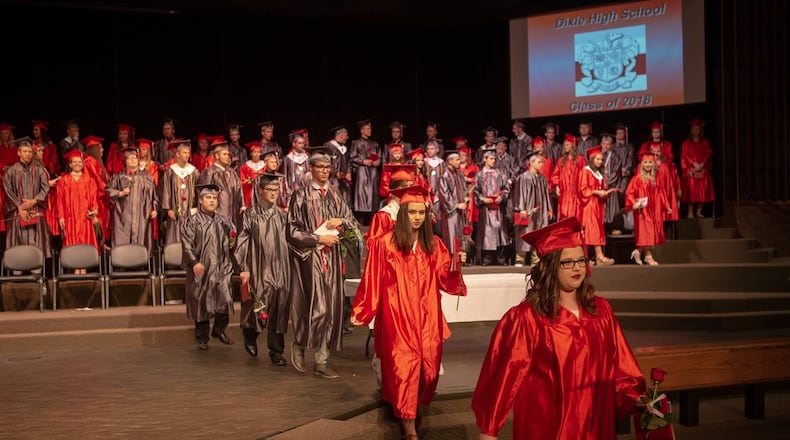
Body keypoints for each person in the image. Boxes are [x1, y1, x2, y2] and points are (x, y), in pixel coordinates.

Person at [471, 217, 646, 440]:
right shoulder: (526, 318)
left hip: (596, 425)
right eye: (567, 262)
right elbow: (504, 377)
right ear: (551, 266)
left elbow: (621, 366)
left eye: (581, 261)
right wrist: (490, 429)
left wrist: (635, 396)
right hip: (550, 427)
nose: (577, 268)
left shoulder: (601, 311)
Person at [352, 185, 467, 440]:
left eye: (421, 212)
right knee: (404, 369)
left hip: (428, 317)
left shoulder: (434, 244)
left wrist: (457, 266)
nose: (417, 217)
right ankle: (409, 427)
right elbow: (372, 278)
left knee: (430, 370)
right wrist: (363, 310)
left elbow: (443, 278)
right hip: (397, 316)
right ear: (403, 213)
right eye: (412, 212)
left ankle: (412, 407)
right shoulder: (386, 244)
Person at [286, 146, 357, 379]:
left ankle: (321, 361)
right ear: (311, 168)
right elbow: (292, 231)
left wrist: (343, 221)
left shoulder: (336, 195)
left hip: (333, 260)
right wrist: (317, 238)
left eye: (328, 167)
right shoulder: (300, 195)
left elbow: (353, 224)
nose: (325, 171)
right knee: (315, 308)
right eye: (320, 167)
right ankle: (299, 343)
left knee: (330, 310)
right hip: (310, 259)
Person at [234, 173, 291, 364]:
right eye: (270, 189)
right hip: (258, 267)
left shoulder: (284, 215)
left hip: (281, 268)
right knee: (256, 305)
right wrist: (243, 267)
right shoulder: (250, 214)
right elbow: (241, 242)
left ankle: (276, 352)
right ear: (260, 191)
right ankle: (250, 335)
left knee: (279, 308)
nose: (274, 193)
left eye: (276, 190)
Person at [181, 183, 236, 350]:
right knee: (201, 302)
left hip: (222, 267)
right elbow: (186, 244)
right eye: (208, 198)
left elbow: (232, 240)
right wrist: (194, 262)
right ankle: (202, 337)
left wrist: (233, 240)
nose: (212, 201)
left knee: (225, 298)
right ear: (200, 200)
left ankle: (219, 330)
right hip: (201, 267)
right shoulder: (192, 221)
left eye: (214, 198)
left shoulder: (224, 221)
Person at [2, 137, 51, 258]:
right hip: (18, 212)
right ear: (18, 153)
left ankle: (36, 270)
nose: (28, 154)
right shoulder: (11, 171)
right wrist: (20, 206)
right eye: (25, 151)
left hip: (36, 209)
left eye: (30, 151)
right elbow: (7, 190)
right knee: (17, 240)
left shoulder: (39, 170)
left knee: (37, 240)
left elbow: (45, 188)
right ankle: (17, 271)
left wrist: (35, 200)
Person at [106, 148, 159, 253]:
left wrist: (155, 209)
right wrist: (120, 193)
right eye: (129, 158)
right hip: (122, 216)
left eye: (135, 158)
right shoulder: (118, 177)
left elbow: (154, 196)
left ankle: (142, 264)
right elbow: (108, 190)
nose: (133, 160)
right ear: (125, 161)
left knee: (141, 241)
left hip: (142, 215)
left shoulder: (147, 177)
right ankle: (123, 265)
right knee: (122, 241)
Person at [57, 150, 100, 273]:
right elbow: (59, 200)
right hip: (70, 217)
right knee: (72, 242)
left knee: (85, 241)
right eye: (74, 162)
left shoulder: (89, 180)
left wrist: (94, 211)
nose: (77, 164)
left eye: (79, 162)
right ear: (70, 164)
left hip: (85, 217)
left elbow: (94, 198)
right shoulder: (63, 181)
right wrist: (61, 217)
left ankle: (84, 269)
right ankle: (76, 270)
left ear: (82, 164)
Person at [625, 154, 672, 265]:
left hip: (654, 209)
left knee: (650, 232)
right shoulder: (637, 178)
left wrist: (666, 206)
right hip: (642, 210)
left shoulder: (657, 178)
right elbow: (629, 193)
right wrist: (633, 204)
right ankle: (648, 256)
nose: (648, 164)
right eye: (645, 162)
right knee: (646, 231)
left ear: (653, 164)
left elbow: (662, 194)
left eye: (650, 162)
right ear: (642, 164)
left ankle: (639, 252)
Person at [512, 153, 552, 267]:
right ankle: (520, 257)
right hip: (527, 210)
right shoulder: (523, 177)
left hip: (540, 210)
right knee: (525, 232)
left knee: (538, 232)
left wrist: (549, 209)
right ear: (531, 163)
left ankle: (535, 258)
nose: (541, 165)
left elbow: (546, 195)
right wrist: (521, 209)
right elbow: (518, 195)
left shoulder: (542, 178)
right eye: (539, 162)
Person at [579, 146, 616, 265]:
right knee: (592, 230)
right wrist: (596, 192)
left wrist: (606, 193)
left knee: (595, 230)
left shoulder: (597, 174)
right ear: (592, 159)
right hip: (588, 205)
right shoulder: (585, 171)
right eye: (598, 159)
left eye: (601, 159)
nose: (600, 161)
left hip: (597, 205)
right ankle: (599, 256)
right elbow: (583, 189)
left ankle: (587, 258)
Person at [198, 139, 246, 230]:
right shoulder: (209, 172)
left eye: (228, 154)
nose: (228, 156)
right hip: (217, 211)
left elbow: (239, 189)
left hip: (233, 210)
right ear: (216, 155)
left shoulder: (232, 172)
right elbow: (205, 193)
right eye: (224, 154)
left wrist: (242, 205)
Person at [160, 139, 199, 246]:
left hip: (191, 211)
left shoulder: (193, 171)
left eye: (188, 152)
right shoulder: (170, 171)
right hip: (175, 210)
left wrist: (197, 208)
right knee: (175, 235)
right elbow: (166, 190)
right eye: (184, 152)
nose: (187, 155)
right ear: (177, 154)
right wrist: (169, 209)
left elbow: (198, 191)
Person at [474, 151, 511, 265]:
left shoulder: (500, 173)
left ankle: (501, 258)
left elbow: (506, 188)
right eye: (491, 158)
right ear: (485, 159)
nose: (493, 161)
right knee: (487, 232)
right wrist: (482, 199)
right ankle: (488, 258)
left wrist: (502, 197)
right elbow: (476, 190)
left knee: (500, 232)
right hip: (486, 209)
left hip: (498, 209)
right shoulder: (480, 175)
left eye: (494, 159)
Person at [681, 118, 715, 218]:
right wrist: (693, 164)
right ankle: (690, 212)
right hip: (691, 170)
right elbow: (685, 155)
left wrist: (702, 164)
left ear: (701, 130)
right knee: (691, 192)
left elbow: (708, 154)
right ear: (691, 130)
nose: (695, 130)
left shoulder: (705, 143)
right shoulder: (686, 143)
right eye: (694, 128)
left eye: (697, 129)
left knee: (702, 191)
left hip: (702, 169)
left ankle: (699, 211)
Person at [79, 136, 111, 245]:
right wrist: (110, 191)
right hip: (96, 200)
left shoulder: (95, 162)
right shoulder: (90, 162)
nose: (102, 150)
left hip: (101, 199)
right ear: (95, 150)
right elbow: (97, 182)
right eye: (100, 148)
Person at [350, 119, 381, 225]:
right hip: (362, 172)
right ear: (362, 131)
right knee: (362, 196)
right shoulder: (356, 143)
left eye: (370, 128)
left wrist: (378, 162)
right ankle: (361, 220)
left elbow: (379, 156)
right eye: (367, 129)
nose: (370, 130)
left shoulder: (374, 143)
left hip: (373, 173)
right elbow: (352, 158)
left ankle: (371, 221)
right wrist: (363, 161)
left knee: (373, 197)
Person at [438, 150, 467, 255]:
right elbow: (444, 194)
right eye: (457, 160)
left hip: (460, 210)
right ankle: (451, 257)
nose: (459, 162)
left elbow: (463, 190)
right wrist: (456, 205)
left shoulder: (458, 174)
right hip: (451, 211)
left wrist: (465, 199)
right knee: (452, 234)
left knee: (461, 233)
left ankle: (461, 255)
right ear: (450, 161)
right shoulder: (444, 176)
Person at [551, 134, 586, 221]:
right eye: (564, 145)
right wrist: (557, 186)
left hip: (576, 192)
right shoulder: (561, 160)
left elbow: (584, 174)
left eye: (567, 145)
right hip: (564, 192)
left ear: (573, 146)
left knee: (576, 212)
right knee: (564, 212)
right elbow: (555, 174)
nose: (565, 147)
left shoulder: (580, 159)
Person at [600, 134, 625, 234]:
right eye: (604, 144)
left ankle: (614, 227)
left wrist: (608, 182)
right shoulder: (598, 156)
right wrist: (601, 182)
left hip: (611, 187)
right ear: (601, 144)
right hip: (600, 187)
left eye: (608, 144)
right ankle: (602, 227)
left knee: (612, 208)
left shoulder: (616, 157)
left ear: (611, 145)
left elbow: (616, 171)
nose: (605, 146)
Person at [325, 125, 353, 207]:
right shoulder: (329, 146)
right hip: (332, 178)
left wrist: (348, 173)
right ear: (340, 135)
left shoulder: (345, 148)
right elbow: (326, 162)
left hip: (344, 179)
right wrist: (335, 172)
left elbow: (348, 162)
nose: (347, 137)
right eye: (346, 135)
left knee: (346, 198)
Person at [283, 131, 310, 207]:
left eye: (303, 143)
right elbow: (284, 175)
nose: (302, 145)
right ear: (293, 144)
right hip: (292, 189)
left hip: (305, 189)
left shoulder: (306, 158)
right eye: (299, 143)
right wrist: (287, 189)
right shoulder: (288, 158)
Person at [239, 141, 267, 208]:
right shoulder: (245, 166)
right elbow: (242, 180)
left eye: (258, 152)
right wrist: (248, 182)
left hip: (262, 192)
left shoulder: (265, 165)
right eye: (254, 152)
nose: (256, 154)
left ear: (260, 153)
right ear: (251, 154)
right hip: (250, 192)